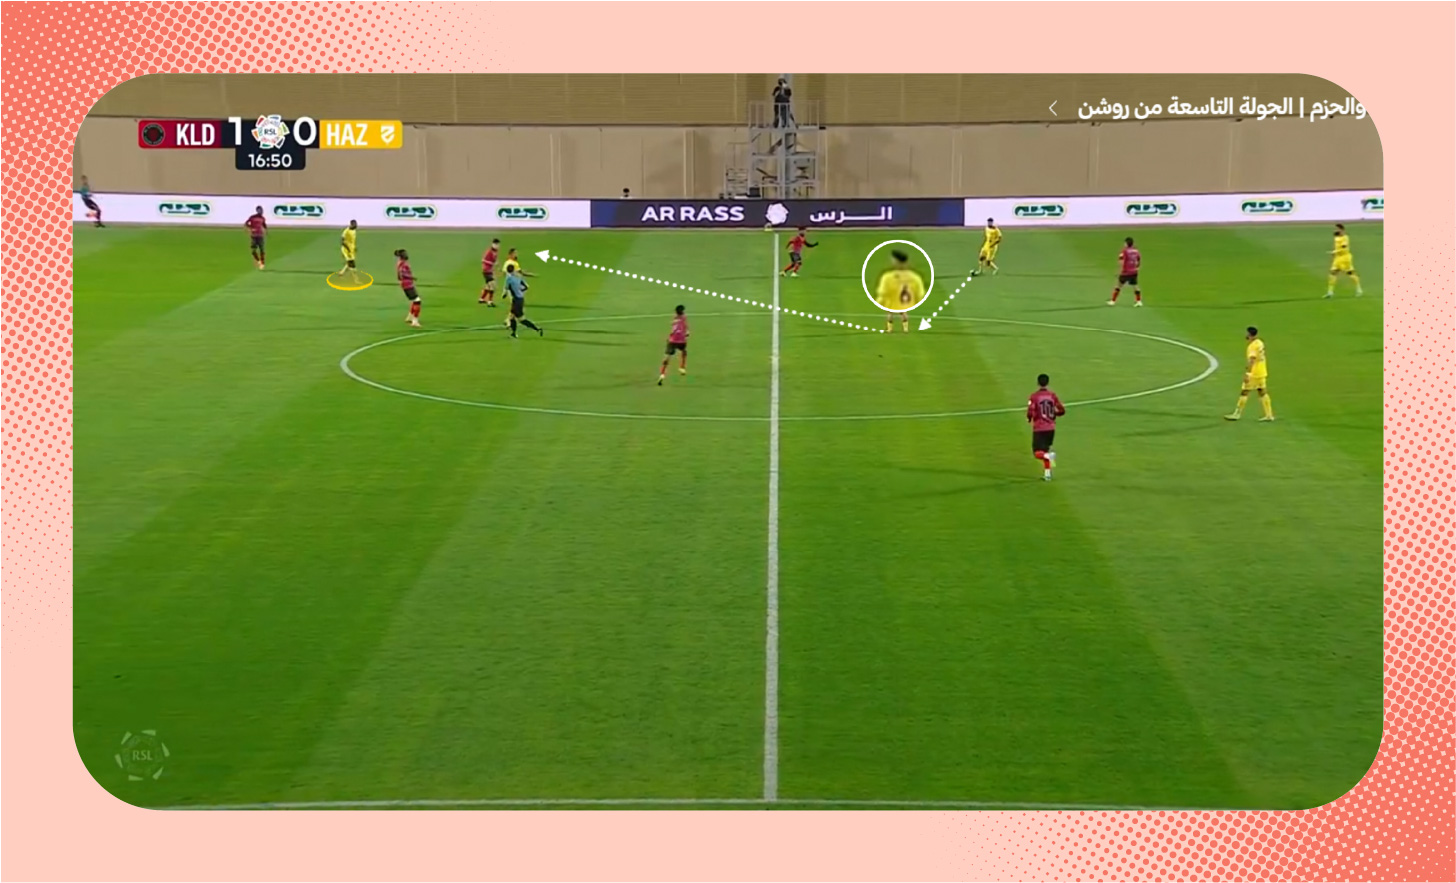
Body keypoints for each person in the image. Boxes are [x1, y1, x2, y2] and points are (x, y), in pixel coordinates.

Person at [1225, 326, 1274, 422]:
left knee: (1244, 392)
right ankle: (1269, 415)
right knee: (1262, 392)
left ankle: (1237, 414)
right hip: (1262, 371)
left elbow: (1252, 360)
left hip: (1254, 373)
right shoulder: (1260, 342)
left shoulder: (1252, 346)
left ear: (1249, 334)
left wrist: (1248, 373)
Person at [875, 249, 928, 333]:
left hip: (892, 301)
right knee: (903, 313)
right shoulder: (915, 277)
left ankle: (890, 329)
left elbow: (882, 293)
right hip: (904, 301)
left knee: (890, 314)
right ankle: (905, 328)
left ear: (896, 261)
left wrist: (880, 302)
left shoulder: (887, 277)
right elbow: (920, 294)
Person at [1027, 374, 1066, 481]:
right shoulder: (1052, 395)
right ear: (1047, 383)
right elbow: (1062, 410)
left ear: (1038, 383)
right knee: (1045, 451)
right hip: (1051, 428)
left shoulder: (1034, 396)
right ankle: (1047, 474)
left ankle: (1049, 457)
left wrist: (1029, 418)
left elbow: (1030, 411)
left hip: (1039, 428)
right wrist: (1054, 414)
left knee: (1037, 453)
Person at [1324, 223, 1364, 298]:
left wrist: (1334, 252)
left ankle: (1359, 289)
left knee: (1350, 273)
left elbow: (1344, 248)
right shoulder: (1336, 237)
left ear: (1341, 230)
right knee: (1333, 273)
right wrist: (1334, 253)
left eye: (1337, 229)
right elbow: (1337, 246)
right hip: (1338, 258)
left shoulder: (1345, 238)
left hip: (1345, 258)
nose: (1335, 230)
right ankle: (1330, 292)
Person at [504, 266, 544, 338]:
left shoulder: (509, 278)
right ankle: (513, 333)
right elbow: (526, 286)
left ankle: (537, 329)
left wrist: (505, 294)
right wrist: (520, 291)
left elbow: (506, 288)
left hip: (516, 300)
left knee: (521, 319)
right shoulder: (518, 277)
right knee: (512, 317)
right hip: (520, 299)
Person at [658, 305, 689, 385]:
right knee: (684, 351)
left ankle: (662, 374)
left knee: (667, 357)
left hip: (672, 340)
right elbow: (685, 327)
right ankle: (682, 367)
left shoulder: (675, 318)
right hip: (681, 340)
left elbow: (674, 326)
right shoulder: (684, 318)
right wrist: (687, 333)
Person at [1109, 236, 1142, 306]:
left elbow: (1122, 261)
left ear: (1126, 243)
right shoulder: (1136, 251)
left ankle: (1112, 301)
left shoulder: (1124, 251)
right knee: (1135, 286)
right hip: (1134, 271)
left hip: (1125, 272)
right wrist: (1137, 267)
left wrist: (1119, 271)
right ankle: (1139, 301)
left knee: (1118, 286)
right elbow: (1139, 259)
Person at [395, 248, 422, 327]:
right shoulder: (403, 264)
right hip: (407, 284)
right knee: (417, 301)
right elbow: (402, 274)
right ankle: (415, 321)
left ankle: (410, 317)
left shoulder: (400, 263)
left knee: (414, 300)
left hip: (406, 284)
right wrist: (412, 277)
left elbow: (399, 275)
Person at [245, 205, 268, 270]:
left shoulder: (262, 218)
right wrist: (251, 228)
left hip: (260, 235)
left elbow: (264, 225)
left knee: (262, 250)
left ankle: (262, 263)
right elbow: (246, 223)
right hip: (254, 235)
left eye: (262, 210)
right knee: (253, 251)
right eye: (260, 210)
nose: (262, 212)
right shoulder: (252, 217)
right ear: (257, 211)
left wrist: (266, 231)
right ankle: (258, 261)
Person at [480, 238, 501, 305]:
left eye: (498, 244)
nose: (497, 246)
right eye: (496, 244)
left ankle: (481, 299)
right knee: (493, 285)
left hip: (490, 270)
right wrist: (492, 263)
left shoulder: (496, 251)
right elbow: (483, 260)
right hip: (486, 270)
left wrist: (498, 265)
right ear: (493, 244)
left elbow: (495, 259)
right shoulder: (489, 251)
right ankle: (490, 301)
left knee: (488, 286)